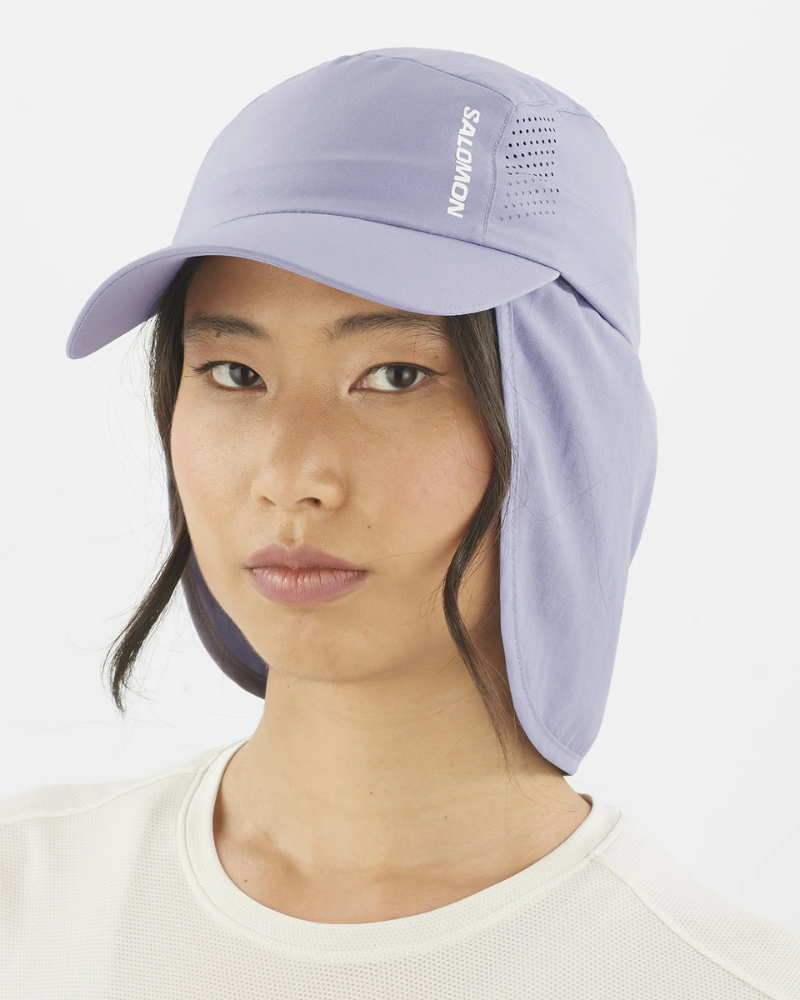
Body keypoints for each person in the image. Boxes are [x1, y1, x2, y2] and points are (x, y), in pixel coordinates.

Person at [2, 47, 799, 999]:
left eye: (395, 375)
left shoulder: (716, 979)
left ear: (569, 416)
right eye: (235, 374)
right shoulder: (25, 901)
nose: (290, 478)